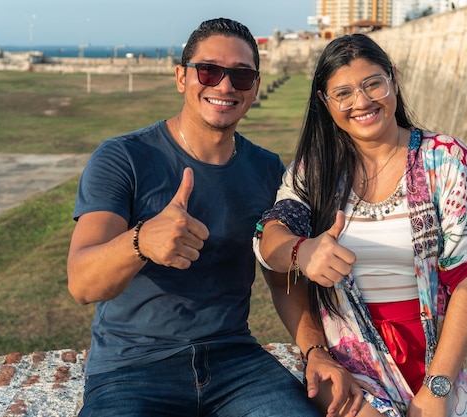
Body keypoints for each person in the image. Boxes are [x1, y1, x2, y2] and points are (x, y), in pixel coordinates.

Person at [66, 17, 321, 416]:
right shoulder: (124, 158)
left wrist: (316, 351)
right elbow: (82, 284)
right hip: (132, 367)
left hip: (236, 362)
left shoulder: (269, 170)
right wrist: (140, 241)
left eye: (240, 76)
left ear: (253, 87)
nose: (224, 85)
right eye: (209, 70)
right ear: (182, 78)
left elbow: (282, 281)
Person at [253, 33, 467, 417]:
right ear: (325, 102)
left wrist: (438, 387)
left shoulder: (446, 160)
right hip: (351, 364)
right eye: (344, 93)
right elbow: (270, 238)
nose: (362, 102)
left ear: (394, 80)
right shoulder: (315, 171)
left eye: (373, 84)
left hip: (443, 358)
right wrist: (303, 251)